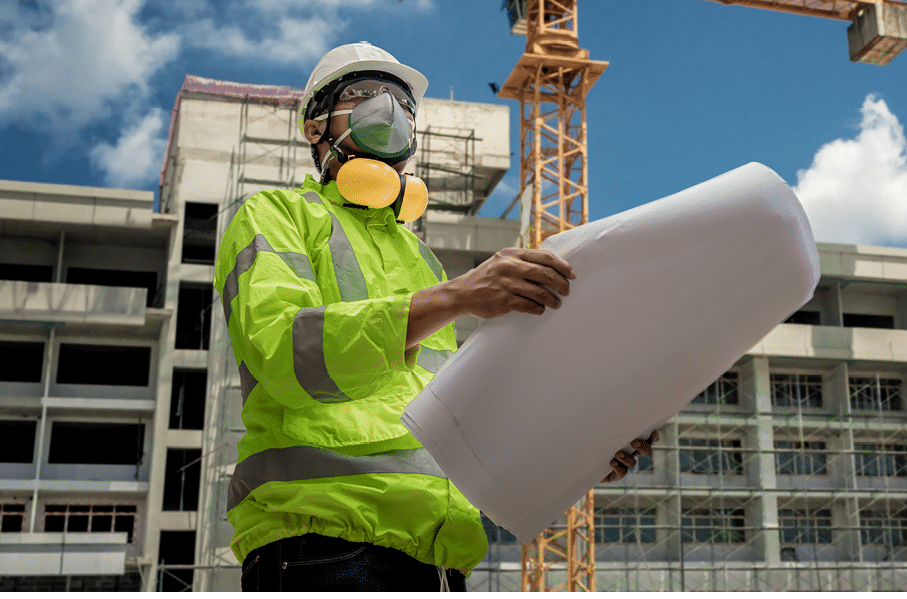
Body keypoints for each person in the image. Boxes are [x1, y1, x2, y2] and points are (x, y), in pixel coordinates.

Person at [216, 42, 657, 592]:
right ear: (315, 126)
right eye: (365, 96)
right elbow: (287, 353)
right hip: (324, 542)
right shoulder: (276, 215)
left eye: (403, 104)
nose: (391, 112)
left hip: (439, 558)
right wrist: (455, 298)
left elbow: (453, 418)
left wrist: (583, 451)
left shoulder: (418, 257)